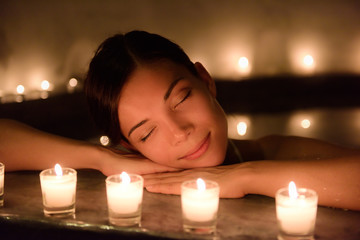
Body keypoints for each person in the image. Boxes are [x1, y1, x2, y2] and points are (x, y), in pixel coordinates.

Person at [0, 31, 359, 211]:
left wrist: (245, 176)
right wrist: (99, 158)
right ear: (129, 144)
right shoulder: (132, 172)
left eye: (182, 98)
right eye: (147, 131)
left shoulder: (270, 150)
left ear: (206, 81)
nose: (179, 132)